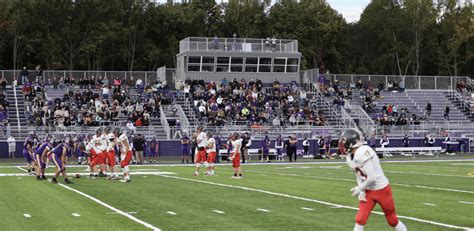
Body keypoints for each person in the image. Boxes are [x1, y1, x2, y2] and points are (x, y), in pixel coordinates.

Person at [340, 128, 407, 231]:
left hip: (382, 189)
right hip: (368, 191)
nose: (342, 144)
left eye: (344, 141)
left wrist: (360, 188)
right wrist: (362, 190)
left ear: (351, 142)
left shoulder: (363, 151)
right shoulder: (350, 156)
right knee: (360, 220)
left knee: (392, 221)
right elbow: (358, 174)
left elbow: (372, 178)